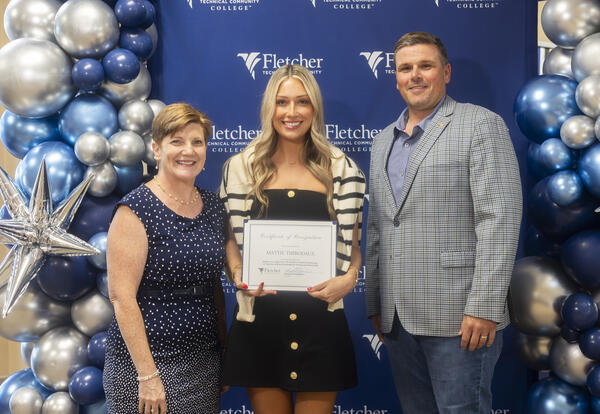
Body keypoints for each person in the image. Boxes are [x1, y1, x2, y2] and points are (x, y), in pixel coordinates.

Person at [365, 32, 522, 414]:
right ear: (396, 77)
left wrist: (484, 305)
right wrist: (376, 302)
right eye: (406, 68)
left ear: (446, 72)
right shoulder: (382, 141)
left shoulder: (480, 125)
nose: (415, 75)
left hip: (461, 318)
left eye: (426, 66)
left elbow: (498, 219)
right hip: (398, 320)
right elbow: (378, 229)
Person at [220, 64, 366, 414]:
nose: (291, 112)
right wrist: (239, 273)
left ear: (314, 109)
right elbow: (230, 240)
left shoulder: (342, 169)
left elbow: (354, 246)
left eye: (302, 102)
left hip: (321, 321)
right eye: (282, 102)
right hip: (260, 323)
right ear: (269, 108)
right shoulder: (240, 168)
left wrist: (348, 279)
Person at [103, 103, 228, 414]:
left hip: (203, 362)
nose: (188, 151)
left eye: (197, 142)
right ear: (157, 149)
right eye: (177, 141)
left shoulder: (213, 205)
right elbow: (121, 297)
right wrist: (148, 376)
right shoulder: (135, 209)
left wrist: (223, 352)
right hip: (145, 369)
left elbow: (214, 286)